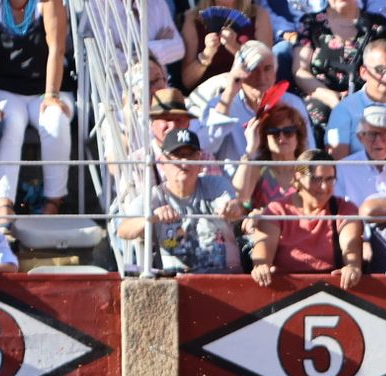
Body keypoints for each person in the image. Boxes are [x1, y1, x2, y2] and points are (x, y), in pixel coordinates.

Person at [0, 0, 74, 217]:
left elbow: (57, 48)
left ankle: (52, 202)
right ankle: (4, 205)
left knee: (55, 121)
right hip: (5, 88)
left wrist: (51, 94)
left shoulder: (48, 3)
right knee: (8, 122)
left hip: (46, 89)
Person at [116, 127, 246, 274]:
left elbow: (236, 208)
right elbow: (123, 230)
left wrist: (236, 208)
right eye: (177, 156)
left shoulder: (216, 185)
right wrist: (151, 218)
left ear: (200, 160)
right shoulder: (155, 197)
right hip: (178, 285)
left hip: (226, 280)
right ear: (162, 162)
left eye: (190, 155)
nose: (184, 161)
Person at [248, 149, 366, 287]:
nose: (324, 187)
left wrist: (352, 268)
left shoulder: (344, 209)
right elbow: (262, 258)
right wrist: (261, 268)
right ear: (298, 177)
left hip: (331, 290)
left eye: (330, 180)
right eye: (316, 179)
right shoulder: (276, 211)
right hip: (286, 291)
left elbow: (351, 250)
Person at [197, 41, 309, 164]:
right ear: (239, 73)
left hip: (282, 180)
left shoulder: (292, 103)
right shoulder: (221, 103)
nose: (261, 77)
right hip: (235, 180)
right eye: (253, 70)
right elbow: (206, 147)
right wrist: (229, 94)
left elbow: (306, 153)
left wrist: (299, 179)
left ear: (275, 73)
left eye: (267, 69)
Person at [327, 38, 386, 160]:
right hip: (360, 177)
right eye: (381, 70)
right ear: (364, 72)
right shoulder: (344, 110)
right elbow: (338, 164)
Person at [232, 99, 311, 210]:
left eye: (288, 131)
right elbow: (239, 196)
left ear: (298, 137)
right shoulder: (258, 169)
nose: (281, 137)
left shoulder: (306, 169)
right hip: (264, 226)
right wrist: (250, 150)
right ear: (264, 138)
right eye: (274, 132)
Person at [181, 0, 275, 91]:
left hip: (247, 88)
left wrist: (235, 47)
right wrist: (207, 54)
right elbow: (188, 82)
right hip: (210, 92)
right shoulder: (193, 18)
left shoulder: (258, 14)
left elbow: (266, 69)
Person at [337, 105, 386, 205]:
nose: (378, 141)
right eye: (371, 134)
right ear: (360, 137)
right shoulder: (343, 168)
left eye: (384, 133)